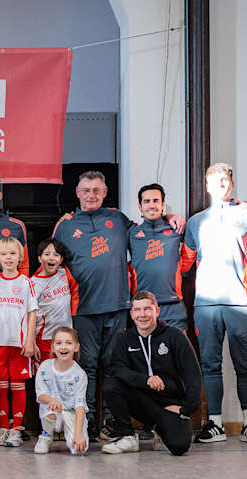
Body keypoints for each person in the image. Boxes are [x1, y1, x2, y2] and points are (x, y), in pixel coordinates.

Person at [52, 170, 184, 441]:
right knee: (86, 366)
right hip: (84, 309)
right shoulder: (64, 226)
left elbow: (148, 227)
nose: (91, 195)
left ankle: (114, 421)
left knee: (114, 367)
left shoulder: (118, 219)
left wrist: (171, 217)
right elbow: (51, 263)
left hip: (118, 307)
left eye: (97, 190)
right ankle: (85, 420)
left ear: (105, 192)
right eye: (86, 190)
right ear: (77, 193)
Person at [184, 163, 247, 445]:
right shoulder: (194, 222)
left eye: (225, 181)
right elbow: (184, 263)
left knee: (245, 366)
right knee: (210, 365)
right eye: (215, 182)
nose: (220, 186)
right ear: (207, 186)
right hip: (205, 305)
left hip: (240, 303)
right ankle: (215, 424)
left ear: (231, 184)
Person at [102, 291, 201, 455]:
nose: (142, 315)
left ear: (157, 311)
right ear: (132, 314)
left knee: (179, 446)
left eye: (147, 309)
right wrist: (146, 380)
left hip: (170, 405)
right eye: (137, 310)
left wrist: (186, 409)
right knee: (111, 385)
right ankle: (128, 437)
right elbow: (117, 369)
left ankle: (160, 430)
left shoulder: (174, 336)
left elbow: (193, 375)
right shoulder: (124, 339)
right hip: (141, 402)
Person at [0, 237, 38, 447]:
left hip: (19, 343)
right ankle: (3, 427)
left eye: (12, 254)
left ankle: (16, 430)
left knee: (17, 385)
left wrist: (30, 339)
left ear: (19, 257)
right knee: (0, 386)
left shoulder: (26, 282)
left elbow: (32, 313)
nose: (8, 258)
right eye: (4, 254)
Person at [128, 184, 196, 331]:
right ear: (140, 206)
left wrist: (171, 217)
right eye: (147, 201)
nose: (152, 205)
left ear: (163, 204)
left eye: (155, 200)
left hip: (173, 308)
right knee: (146, 354)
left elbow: (190, 254)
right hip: (143, 309)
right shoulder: (131, 233)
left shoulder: (176, 229)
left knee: (177, 353)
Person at [33, 327, 88, 455]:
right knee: (50, 408)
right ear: (52, 347)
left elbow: (80, 405)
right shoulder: (45, 367)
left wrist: (79, 434)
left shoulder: (80, 374)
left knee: (79, 450)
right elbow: (40, 395)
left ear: (76, 347)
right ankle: (46, 436)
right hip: (52, 411)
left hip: (71, 413)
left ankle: (70, 433)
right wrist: (52, 400)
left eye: (68, 343)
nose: (63, 347)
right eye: (59, 343)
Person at [31, 239, 78, 361]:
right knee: (46, 375)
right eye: (47, 254)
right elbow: (28, 315)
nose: (51, 258)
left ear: (61, 260)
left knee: (65, 373)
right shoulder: (32, 284)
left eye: (56, 255)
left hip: (66, 337)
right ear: (39, 258)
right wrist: (31, 341)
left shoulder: (64, 273)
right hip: (45, 337)